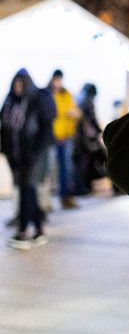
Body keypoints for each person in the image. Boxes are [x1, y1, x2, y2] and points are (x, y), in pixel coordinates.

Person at [2, 70, 54, 249]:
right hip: (17, 156)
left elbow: (45, 130)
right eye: (15, 84)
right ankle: (39, 229)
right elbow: (5, 128)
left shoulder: (36, 102)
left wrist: (38, 153)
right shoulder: (9, 103)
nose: (18, 88)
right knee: (29, 191)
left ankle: (23, 232)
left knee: (27, 191)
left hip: (34, 156)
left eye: (20, 84)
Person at [47, 69, 80, 206]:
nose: (58, 83)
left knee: (66, 169)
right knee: (47, 170)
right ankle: (44, 201)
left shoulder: (66, 94)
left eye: (60, 80)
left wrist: (71, 114)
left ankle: (65, 197)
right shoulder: (47, 94)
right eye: (56, 80)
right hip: (51, 137)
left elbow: (76, 112)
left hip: (65, 137)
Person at [73, 83, 105, 195]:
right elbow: (93, 121)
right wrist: (102, 131)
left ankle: (82, 187)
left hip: (79, 140)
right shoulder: (88, 103)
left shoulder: (78, 101)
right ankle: (82, 188)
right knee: (84, 164)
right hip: (85, 141)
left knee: (82, 165)